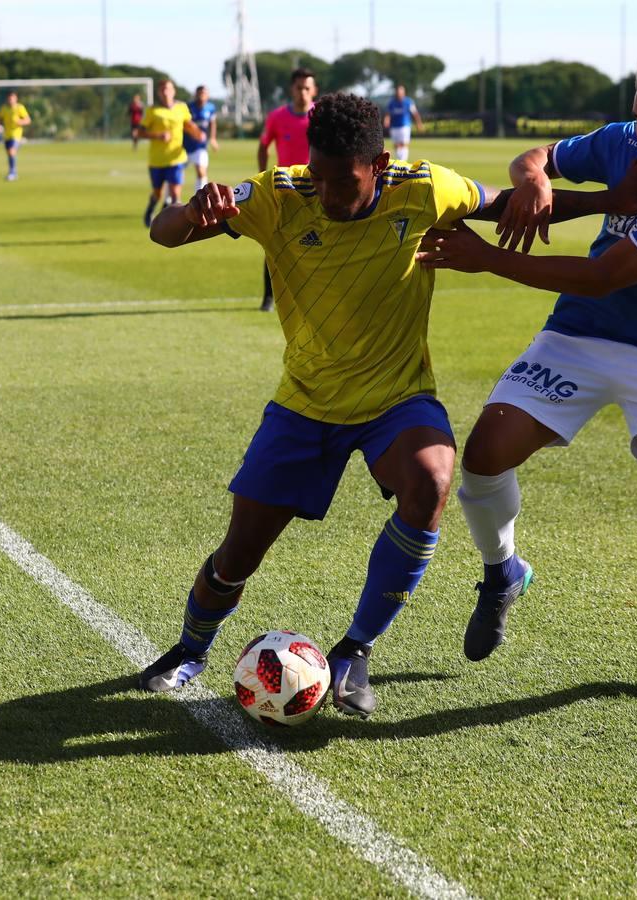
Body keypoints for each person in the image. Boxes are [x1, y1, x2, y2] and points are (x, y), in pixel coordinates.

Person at [140, 93, 500, 719]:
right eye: (319, 175)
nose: (328, 193)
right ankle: (191, 648)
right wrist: (194, 210)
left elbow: (506, 203)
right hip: (304, 404)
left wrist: (599, 199)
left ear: (380, 164)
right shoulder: (280, 193)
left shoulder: (424, 189)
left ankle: (356, 648)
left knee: (433, 480)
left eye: (345, 180)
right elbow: (162, 233)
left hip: (396, 398)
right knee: (239, 553)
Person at [415, 49, 637, 701]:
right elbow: (538, 159)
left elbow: (599, 277)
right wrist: (533, 179)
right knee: (481, 459)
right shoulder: (624, 143)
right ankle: (502, 574)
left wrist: (485, 259)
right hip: (578, 337)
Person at [256, 67, 317, 312]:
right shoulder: (277, 117)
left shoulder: (321, 115)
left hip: (317, 188)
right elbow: (263, 146)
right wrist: (262, 176)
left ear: (314, 90)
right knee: (274, 243)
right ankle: (268, 297)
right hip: (285, 189)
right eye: (298, 87)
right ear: (291, 89)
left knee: (319, 242)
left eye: (307, 88)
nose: (302, 92)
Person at [134, 79, 203, 228]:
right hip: (157, 160)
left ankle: (174, 225)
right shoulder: (153, 111)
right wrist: (158, 136)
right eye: (163, 89)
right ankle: (150, 209)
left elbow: (188, 124)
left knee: (175, 194)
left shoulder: (181, 108)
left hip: (176, 158)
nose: (166, 92)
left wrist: (197, 133)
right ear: (159, 93)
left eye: (168, 89)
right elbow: (139, 132)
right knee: (158, 194)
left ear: (174, 91)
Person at [185, 85, 219, 192]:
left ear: (207, 95)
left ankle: (200, 198)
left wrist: (213, 138)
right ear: (196, 94)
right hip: (184, 147)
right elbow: (183, 124)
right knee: (174, 175)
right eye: (199, 93)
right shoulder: (188, 107)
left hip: (200, 147)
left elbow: (212, 123)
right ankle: (169, 200)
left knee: (201, 172)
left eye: (204, 93)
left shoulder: (211, 108)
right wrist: (194, 132)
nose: (201, 96)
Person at [0, 90, 32, 181]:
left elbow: (28, 120)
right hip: (7, 135)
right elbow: (0, 120)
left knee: (12, 151)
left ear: (15, 98)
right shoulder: (4, 108)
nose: (11, 100)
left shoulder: (20, 108)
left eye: (12, 98)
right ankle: (13, 172)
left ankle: (12, 173)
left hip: (16, 135)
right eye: (9, 98)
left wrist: (20, 122)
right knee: (10, 154)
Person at [384, 84, 423, 162]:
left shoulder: (408, 102)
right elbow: (388, 114)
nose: (399, 93)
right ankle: (399, 159)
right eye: (397, 92)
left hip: (404, 126)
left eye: (400, 92)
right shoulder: (392, 103)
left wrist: (419, 123)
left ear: (404, 92)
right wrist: (386, 120)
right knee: (396, 145)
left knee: (404, 143)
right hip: (394, 126)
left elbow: (415, 113)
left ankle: (403, 160)